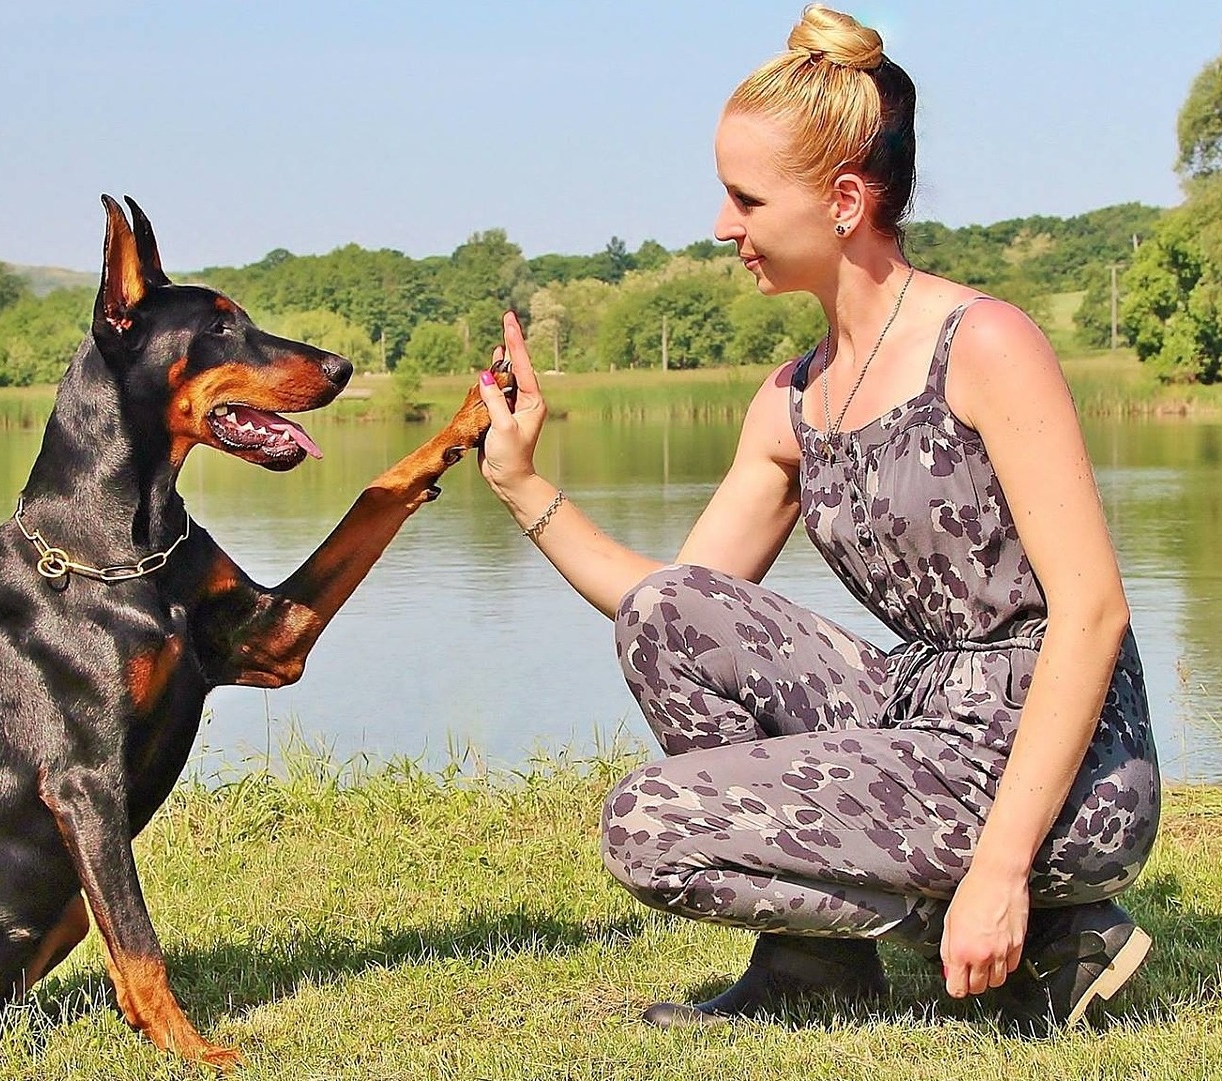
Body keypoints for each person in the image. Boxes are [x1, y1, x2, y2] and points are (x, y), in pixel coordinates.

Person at [471, 5, 1160, 1031]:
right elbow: (673, 604)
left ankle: (1033, 921)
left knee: (646, 826)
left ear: (843, 201)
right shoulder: (792, 401)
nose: (720, 225)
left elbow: (1092, 614)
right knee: (667, 616)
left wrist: (1000, 870)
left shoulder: (987, 344)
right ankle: (819, 966)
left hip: (1063, 762)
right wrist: (525, 484)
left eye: (745, 197)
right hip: (921, 714)